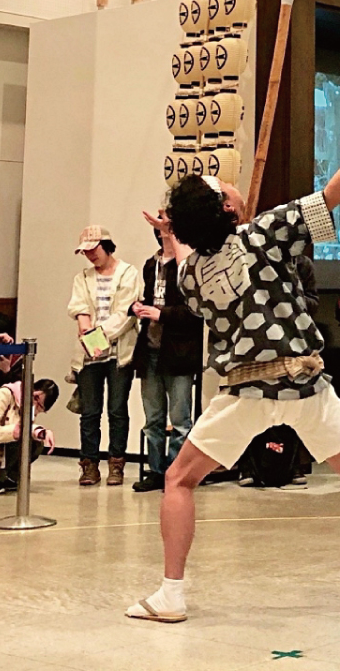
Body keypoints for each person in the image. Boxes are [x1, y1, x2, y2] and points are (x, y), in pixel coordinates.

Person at [127, 102, 340, 623]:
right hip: (306, 384)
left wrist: (174, 232)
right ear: (227, 210)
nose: (233, 188)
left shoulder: (191, 276)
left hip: (242, 392)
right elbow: (332, 195)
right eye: (225, 189)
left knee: (179, 480)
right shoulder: (265, 232)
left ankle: (170, 595)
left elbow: (187, 257)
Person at [129, 208, 202, 493]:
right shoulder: (151, 264)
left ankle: (177, 473)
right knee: (153, 419)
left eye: (169, 229)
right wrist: (138, 308)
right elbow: (150, 298)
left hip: (179, 352)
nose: (165, 234)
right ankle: (156, 470)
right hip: (150, 349)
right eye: (161, 230)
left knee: (181, 419)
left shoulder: (189, 265)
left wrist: (163, 315)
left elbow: (196, 311)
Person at [66, 223, 142, 487]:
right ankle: (89, 465)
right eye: (85, 251)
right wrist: (85, 328)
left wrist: (96, 336)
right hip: (89, 355)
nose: (90, 255)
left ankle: (116, 464)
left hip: (119, 353)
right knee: (89, 412)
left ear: (106, 246)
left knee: (117, 410)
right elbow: (79, 307)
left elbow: (126, 313)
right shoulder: (82, 277)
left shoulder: (128, 273)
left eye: (93, 249)